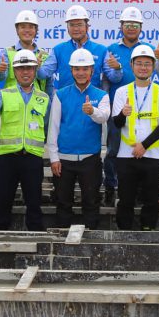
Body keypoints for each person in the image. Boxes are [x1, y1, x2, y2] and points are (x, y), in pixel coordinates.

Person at [0, 50, 50, 231]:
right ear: (14, 71)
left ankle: (36, 238)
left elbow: (47, 125)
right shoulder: (4, 94)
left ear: (35, 70)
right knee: (3, 202)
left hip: (33, 157)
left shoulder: (44, 97)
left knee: (34, 203)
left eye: (29, 68)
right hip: (7, 158)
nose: (25, 72)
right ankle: (1, 240)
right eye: (21, 69)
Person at [47, 49, 110, 229]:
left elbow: (104, 116)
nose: (81, 73)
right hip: (63, 160)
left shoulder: (101, 95)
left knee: (91, 202)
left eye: (85, 69)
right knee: (63, 202)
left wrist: (93, 111)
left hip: (90, 159)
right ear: (71, 70)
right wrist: (54, 158)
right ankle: (61, 240)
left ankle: (91, 240)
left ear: (92, 70)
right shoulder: (60, 94)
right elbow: (54, 127)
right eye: (76, 69)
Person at [111, 45, 159, 230]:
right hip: (126, 154)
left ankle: (148, 229)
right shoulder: (122, 92)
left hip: (152, 155)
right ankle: (124, 232)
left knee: (151, 198)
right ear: (132, 65)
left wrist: (144, 146)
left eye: (147, 64)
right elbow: (117, 123)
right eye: (139, 63)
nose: (143, 67)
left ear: (153, 66)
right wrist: (123, 113)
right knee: (126, 198)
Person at [101, 6, 147, 207]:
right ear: (121, 26)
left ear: (141, 28)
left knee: (138, 150)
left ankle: (136, 190)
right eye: (127, 25)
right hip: (117, 109)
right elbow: (108, 79)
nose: (131, 28)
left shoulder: (145, 49)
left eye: (135, 25)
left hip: (144, 109)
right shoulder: (110, 50)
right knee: (113, 150)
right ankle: (110, 188)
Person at [38, 5, 109, 92]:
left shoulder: (101, 50)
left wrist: (117, 68)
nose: (75, 29)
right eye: (71, 25)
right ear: (67, 28)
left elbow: (114, 78)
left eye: (79, 25)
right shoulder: (58, 50)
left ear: (87, 26)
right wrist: (37, 68)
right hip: (66, 101)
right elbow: (43, 74)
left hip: (92, 101)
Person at [0, 9, 49, 91]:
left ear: (36, 30)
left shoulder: (44, 55)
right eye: (23, 27)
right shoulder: (6, 53)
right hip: (11, 101)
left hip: (37, 102)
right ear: (17, 30)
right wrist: (0, 71)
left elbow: (49, 83)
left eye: (31, 27)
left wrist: (38, 69)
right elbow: (2, 78)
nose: (27, 30)